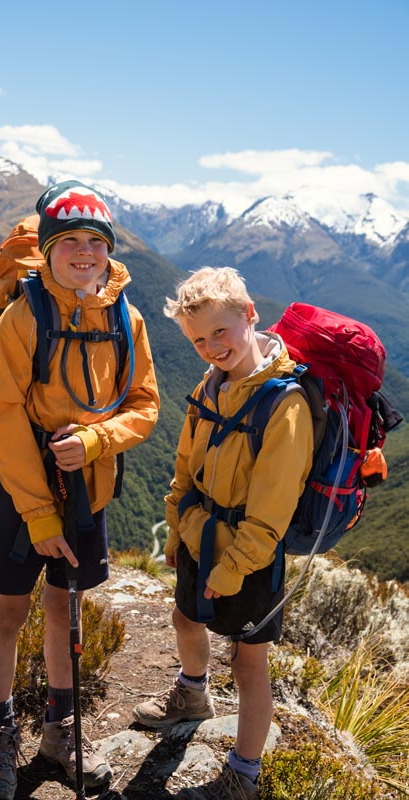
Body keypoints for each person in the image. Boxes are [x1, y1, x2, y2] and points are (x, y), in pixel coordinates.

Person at [0, 180, 159, 800]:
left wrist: (97, 441)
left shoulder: (126, 317)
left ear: (108, 248)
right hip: (25, 485)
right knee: (8, 609)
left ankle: (59, 731)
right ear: (49, 248)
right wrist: (38, 514)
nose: (84, 253)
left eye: (95, 242)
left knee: (66, 605)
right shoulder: (23, 315)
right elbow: (1, 416)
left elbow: (145, 405)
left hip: (90, 485)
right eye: (70, 242)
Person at [133, 267, 313, 800]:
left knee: (248, 660)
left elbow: (270, 513)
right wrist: (175, 532)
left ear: (250, 315)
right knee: (183, 616)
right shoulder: (209, 387)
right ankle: (192, 696)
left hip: (251, 556)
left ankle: (243, 773)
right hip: (198, 534)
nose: (211, 347)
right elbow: (185, 466)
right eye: (198, 340)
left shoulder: (286, 405)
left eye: (220, 332)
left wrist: (232, 569)